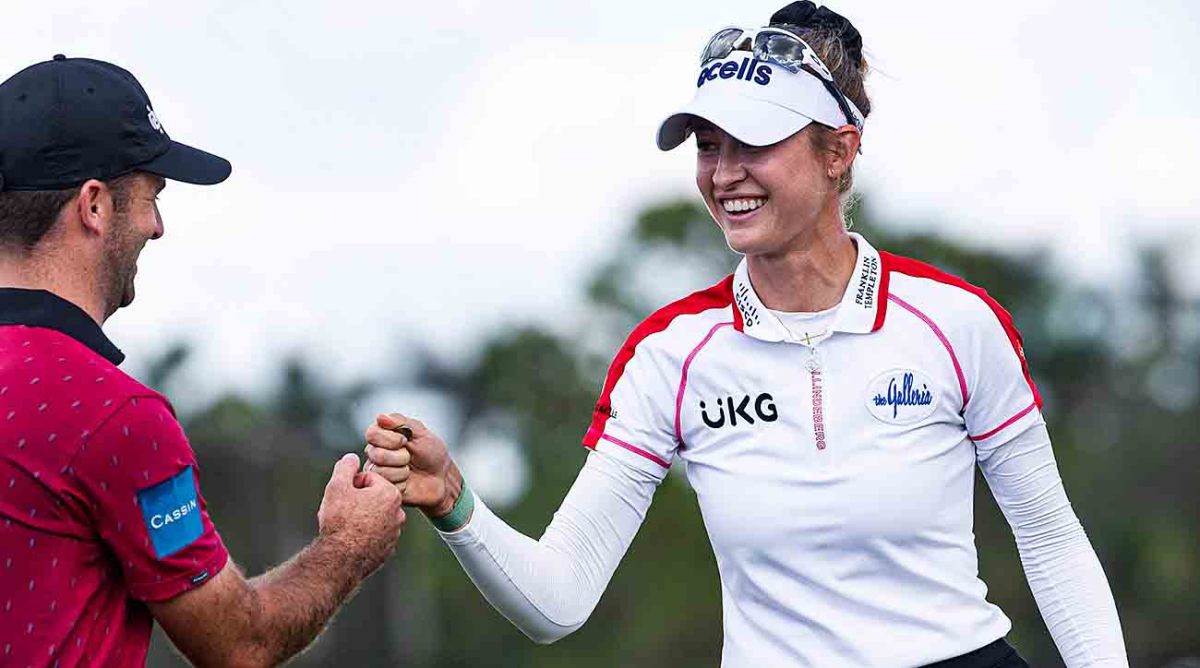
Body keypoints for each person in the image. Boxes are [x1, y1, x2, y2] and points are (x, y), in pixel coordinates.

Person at [364, 2, 1129, 666]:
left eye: (753, 144)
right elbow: (559, 600)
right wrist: (456, 502)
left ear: (838, 151)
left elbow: (1052, 542)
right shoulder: (671, 355)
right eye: (707, 145)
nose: (724, 172)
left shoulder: (956, 322)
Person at [0, 56, 408, 667]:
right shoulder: (112, 415)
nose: (157, 227)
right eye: (150, 197)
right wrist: (348, 545)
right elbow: (241, 643)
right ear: (94, 206)